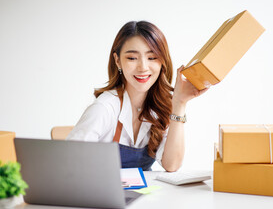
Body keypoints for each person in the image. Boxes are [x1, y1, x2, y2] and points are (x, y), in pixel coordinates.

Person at [66, 21, 208, 172]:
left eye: (152, 58)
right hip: (103, 194)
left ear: (162, 62)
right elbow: (68, 163)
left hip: (143, 194)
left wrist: (179, 103)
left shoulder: (159, 107)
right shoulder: (104, 108)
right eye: (132, 58)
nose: (143, 67)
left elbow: (171, 165)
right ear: (117, 61)